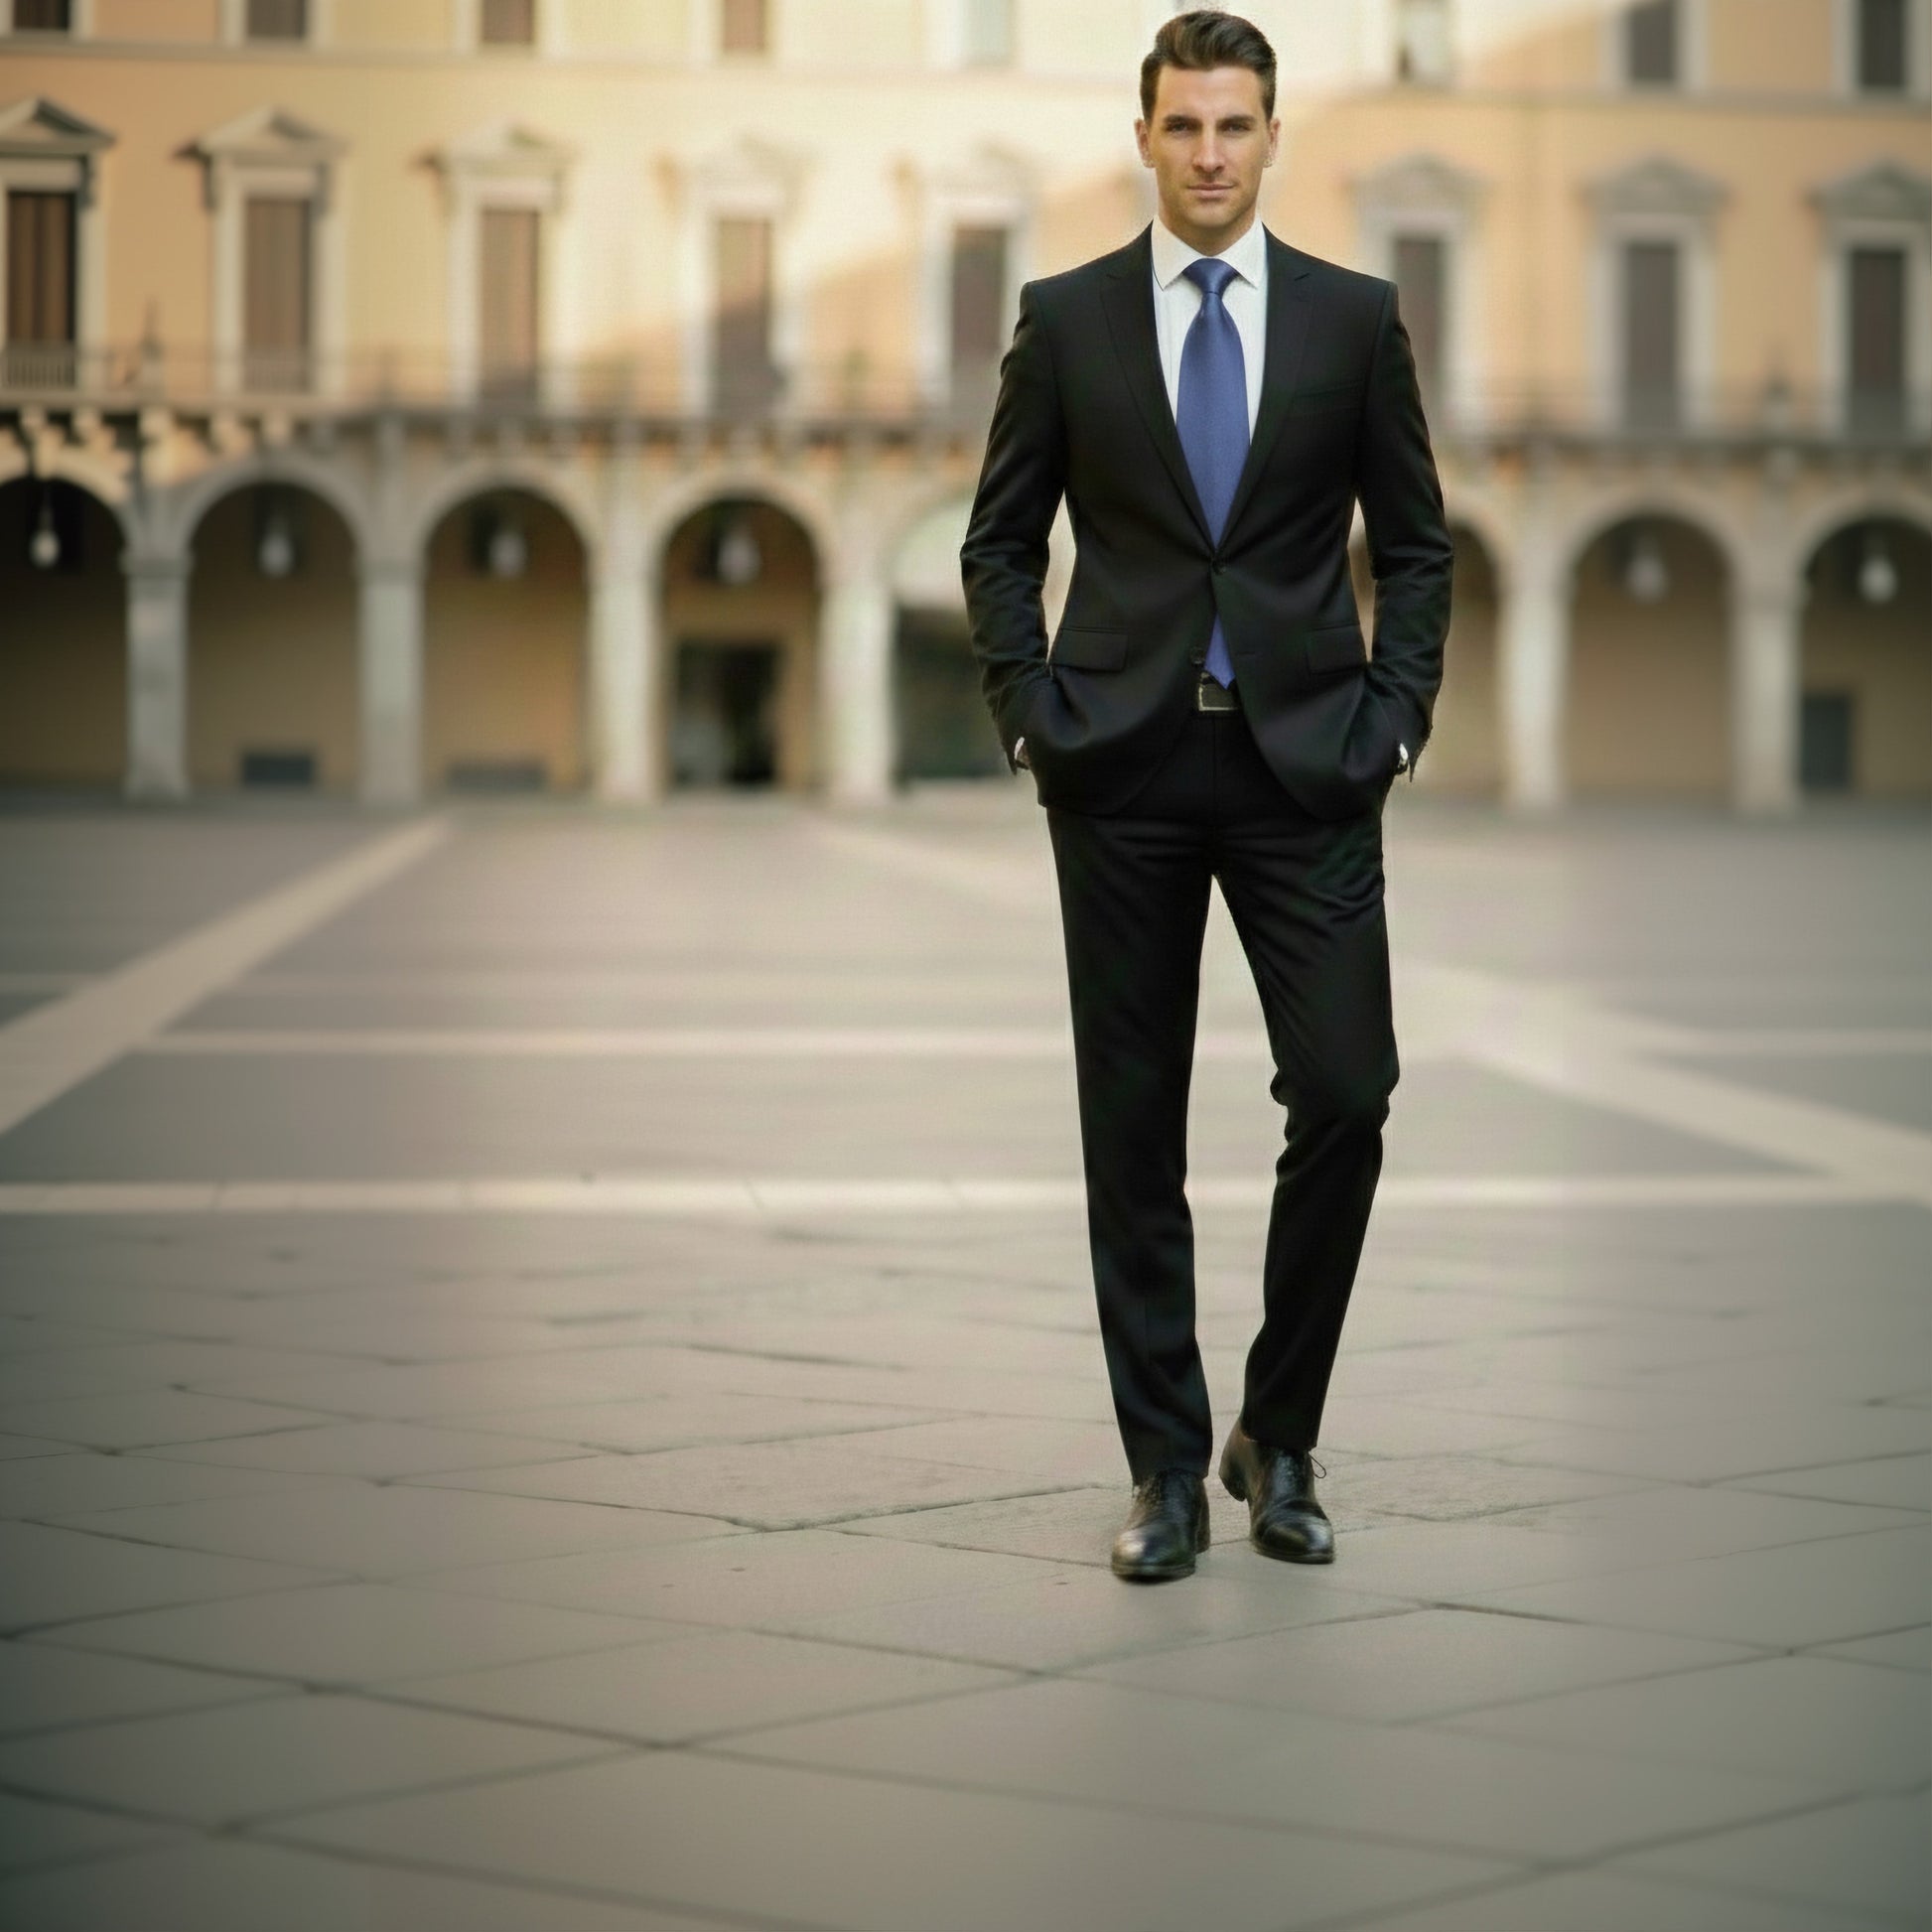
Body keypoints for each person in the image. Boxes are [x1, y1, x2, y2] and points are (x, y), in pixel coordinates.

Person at [960, 8, 1451, 1582]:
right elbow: (996, 540)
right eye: (1182, 126)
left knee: (1350, 1090)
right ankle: (1167, 1468)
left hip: (1308, 763)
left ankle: (1279, 1429)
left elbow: (1418, 547)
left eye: (1234, 125)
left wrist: (1393, 721)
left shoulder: (1351, 320)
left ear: (1271, 135)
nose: (1210, 153)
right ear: (1144, 138)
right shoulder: (1069, 317)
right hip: (1124, 763)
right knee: (1131, 1126)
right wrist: (1032, 714)